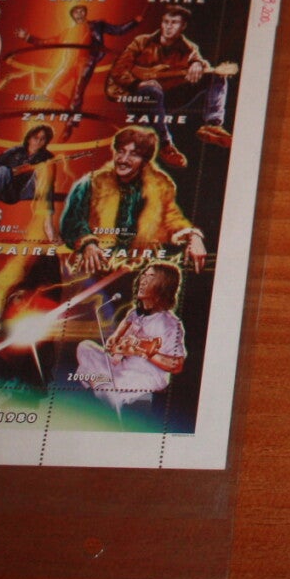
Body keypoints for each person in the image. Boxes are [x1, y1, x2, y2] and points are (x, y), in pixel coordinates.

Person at [57, 125, 207, 276]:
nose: (123, 159)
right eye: (121, 151)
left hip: (136, 268)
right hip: (93, 268)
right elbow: (72, 221)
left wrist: (193, 236)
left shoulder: (161, 186)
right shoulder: (92, 182)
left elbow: (171, 220)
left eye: (133, 154)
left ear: (145, 161)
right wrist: (88, 244)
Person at [106, 4, 229, 170]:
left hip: (167, 100)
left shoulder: (189, 48)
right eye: (166, 21)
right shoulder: (142, 42)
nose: (169, 26)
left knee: (216, 76)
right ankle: (166, 145)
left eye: (174, 22)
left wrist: (198, 64)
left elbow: (202, 64)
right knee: (153, 90)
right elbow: (118, 69)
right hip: (138, 99)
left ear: (183, 26)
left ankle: (213, 125)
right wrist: (137, 83)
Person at [73, 261, 186, 415]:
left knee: (95, 375)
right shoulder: (133, 314)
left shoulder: (170, 323)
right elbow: (114, 342)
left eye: (151, 277)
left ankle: (108, 393)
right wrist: (115, 345)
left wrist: (142, 351)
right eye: (144, 276)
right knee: (85, 347)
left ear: (163, 286)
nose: (143, 281)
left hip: (145, 375)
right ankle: (107, 390)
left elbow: (176, 365)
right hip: (120, 367)